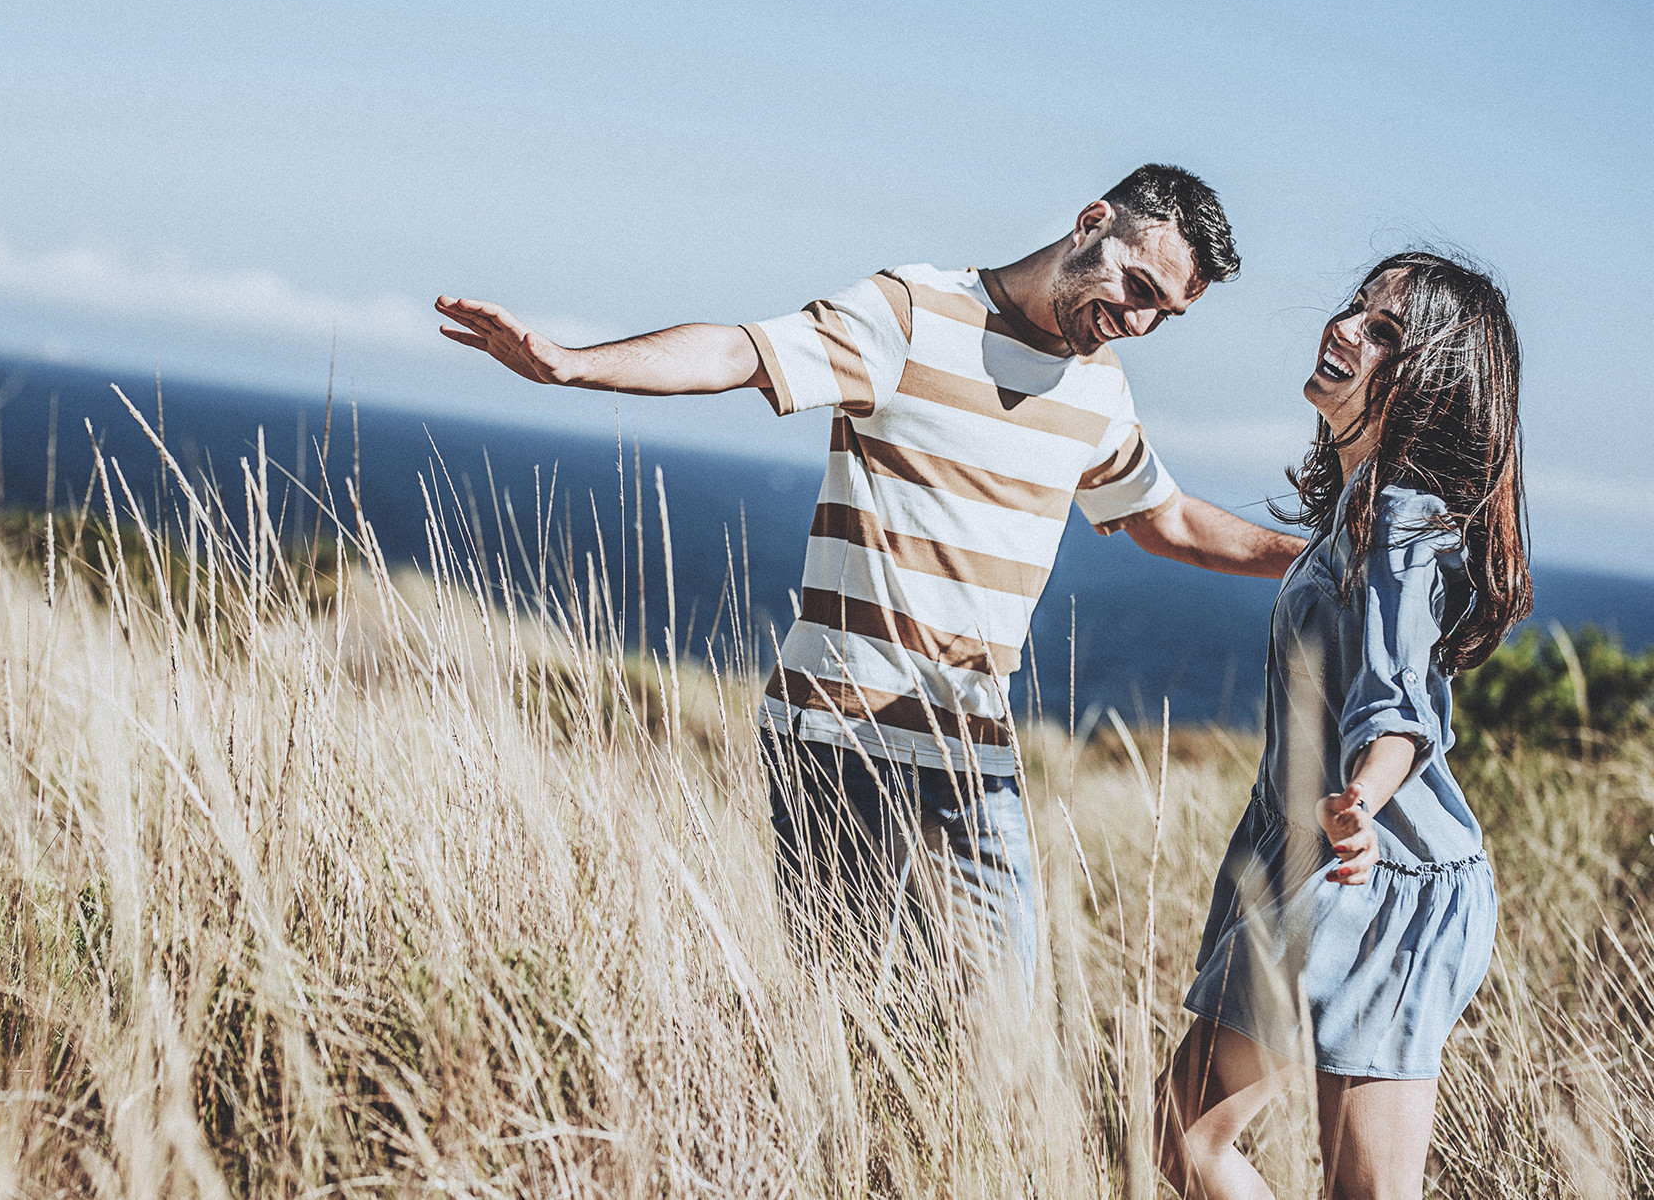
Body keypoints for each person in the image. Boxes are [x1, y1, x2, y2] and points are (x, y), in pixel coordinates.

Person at [436, 163, 1303, 994]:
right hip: (840, 732)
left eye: (1164, 314)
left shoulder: (1099, 390)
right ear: (1091, 224)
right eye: (1138, 286)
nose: (1139, 322)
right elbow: (741, 352)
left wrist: (1317, 557)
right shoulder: (914, 313)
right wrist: (573, 363)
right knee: (849, 1017)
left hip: (974, 754)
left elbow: (1166, 520)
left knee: (999, 1035)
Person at [1157, 251, 1529, 1199]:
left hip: (1380, 880)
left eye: (1384, 332)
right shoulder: (1360, 512)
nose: (1346, 327)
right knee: (1195, 1137)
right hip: (1348, 867)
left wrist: (1362, 795)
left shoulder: (1401, 518)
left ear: (1428, 389)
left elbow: (1402, 705)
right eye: (1359, 307)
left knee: (1192, 1137)